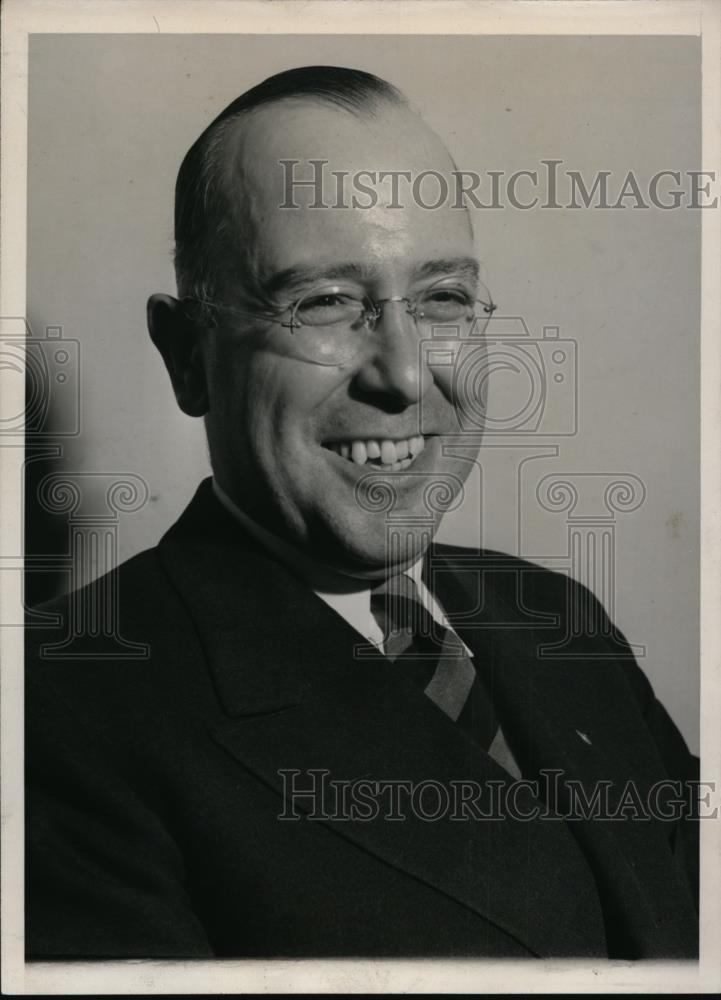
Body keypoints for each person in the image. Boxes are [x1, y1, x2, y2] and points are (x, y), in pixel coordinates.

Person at [26, 66, 698, 960]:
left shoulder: (554, 618)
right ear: (188, 355)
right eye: (325, 304)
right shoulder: (61, 711)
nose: (406, 374)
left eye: (443, 298)